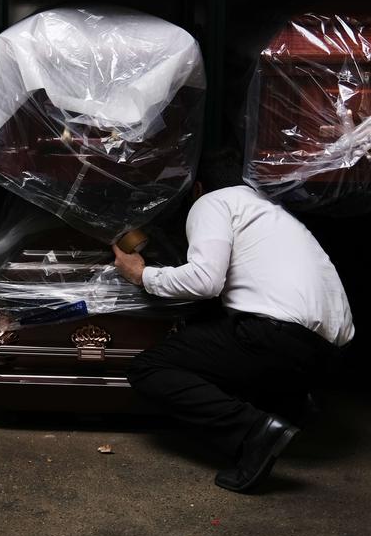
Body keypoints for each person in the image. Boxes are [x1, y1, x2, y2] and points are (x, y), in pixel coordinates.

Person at [111, 168, 354, 494]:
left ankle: (255, 431)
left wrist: (142, 275)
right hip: (328, 355)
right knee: (224, 333)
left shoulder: (212, 202)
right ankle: (291, 406)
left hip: (278, 338)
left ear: (195, 187)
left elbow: (205, 281)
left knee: (149, 367)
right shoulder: (267, 210)